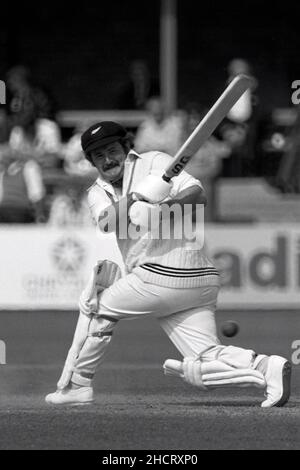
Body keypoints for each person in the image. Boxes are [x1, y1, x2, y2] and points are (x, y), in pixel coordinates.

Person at [45, 121, 291, 408]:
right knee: (206, 359)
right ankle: (266, 366)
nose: (108, 160)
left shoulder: (155, 162)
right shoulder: (96, 192)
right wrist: (136, 198)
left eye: (112, 150)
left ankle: (78, 384)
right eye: (98, 156)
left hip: (164, 272)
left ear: (126, 147)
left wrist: (162, 210)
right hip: (190, 283)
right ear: (91, 162)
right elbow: (106, 222)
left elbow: (198, 194)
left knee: (95, 305)